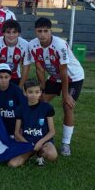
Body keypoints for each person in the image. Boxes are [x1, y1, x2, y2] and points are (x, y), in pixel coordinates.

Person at [23, 17, 85, 157]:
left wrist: (66, 95)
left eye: (46, 31)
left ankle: (66, 143)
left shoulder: (60, 45)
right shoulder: (32, 45)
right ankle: (38, 135)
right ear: (35, 31)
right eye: (39, 31)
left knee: (67, 105)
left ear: (51, 31)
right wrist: (42, 90)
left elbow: (64, 71)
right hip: (54, 77)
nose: (42, 34)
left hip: (73, 77)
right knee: (40, 102)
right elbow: (39, 68)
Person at [8, 80, 58, 167]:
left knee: (52, 155)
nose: (33, 95)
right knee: (12, 164)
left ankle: (39, 154)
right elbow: (16, 133)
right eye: (30, 92)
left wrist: (40, 142)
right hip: (27, 142)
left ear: (40, 93)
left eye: (37, 92)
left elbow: (52, 131)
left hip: (43, 141)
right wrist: (29, 144)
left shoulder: (47, 108)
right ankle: (32, 154)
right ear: (25, 93)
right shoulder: (20, 109)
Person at [0, 20, 29, 87]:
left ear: (18, 33)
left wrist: (20, 87)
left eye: (14, 32)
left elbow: (26, 67)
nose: (11, 35)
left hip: (15, 76)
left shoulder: (25, 45)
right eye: (8, 32)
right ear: (3, 33)